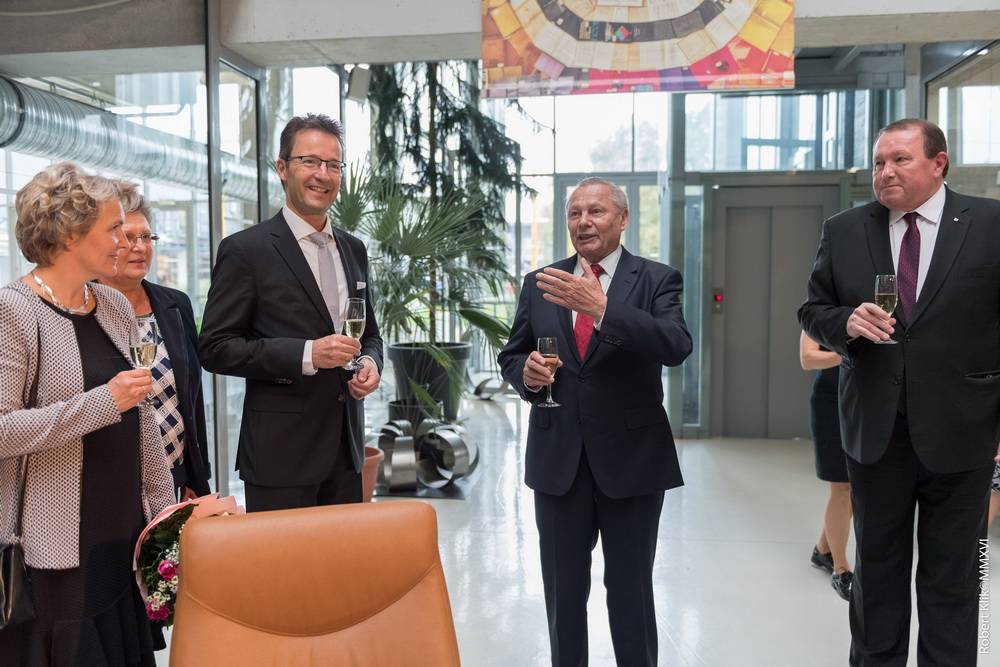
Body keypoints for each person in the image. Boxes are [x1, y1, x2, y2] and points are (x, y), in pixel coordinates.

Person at [799, 118, 1000, 665]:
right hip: (875, 433)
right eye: (878, 162)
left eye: (900, 160)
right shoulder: (845, 230)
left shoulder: (990, 223)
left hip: (965, 434)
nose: (884, 172)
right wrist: (845, 322)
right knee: (877, 577)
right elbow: (812, 311)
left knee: (953, 579)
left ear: (939, 163)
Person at [497, 177, 692, 666]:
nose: (584, 222)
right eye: (575, 213)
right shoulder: (543, 282)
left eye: (597, 212)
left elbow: (675, 345)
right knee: (562, 596)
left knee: (630, 592)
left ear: (622, 219)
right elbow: (513, 353)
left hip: (632, 464)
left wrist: (604, 309)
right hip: (558, 461)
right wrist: (528, 374)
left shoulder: (656, 279)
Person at [0, 162, 174, 665]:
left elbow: (142, 418)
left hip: (123, 539)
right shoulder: (14, 311)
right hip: (56, 548)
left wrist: (163, 515)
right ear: (71, 235)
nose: (126, 239)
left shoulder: (114, 306)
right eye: (114, 227)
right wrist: (103, 403)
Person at [199, 113, 383, 512]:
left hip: (345, 452)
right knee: (283, 575)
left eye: (333, 165)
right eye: (310, 161)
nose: (323, 174)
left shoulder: (353, 249)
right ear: (283, 169)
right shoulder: (246, 251)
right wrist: (306, 355)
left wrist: (369, 362)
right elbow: (215, 347)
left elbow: (370, 333)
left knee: (343, 573)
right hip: (279, 458)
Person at [98, 181, 212, 501]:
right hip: (112, 487)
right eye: (128, 237)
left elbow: (191, 398)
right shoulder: (83, 310)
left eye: (146, 236)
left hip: (175, 477)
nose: (140, 247)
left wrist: (196, 476)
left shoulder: (175, 305)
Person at [799, 331, 853, 601]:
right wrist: (846, 355)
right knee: (842, 486)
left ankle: (823, 550)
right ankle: (841, 568)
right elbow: (807, 358)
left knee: (853, 486)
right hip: (830, 401)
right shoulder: (821, 309)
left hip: (863, 401)